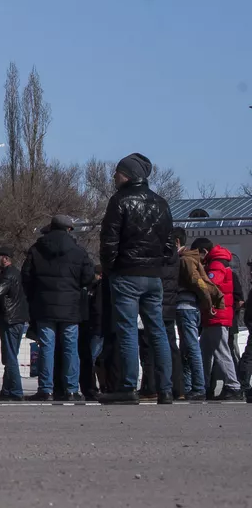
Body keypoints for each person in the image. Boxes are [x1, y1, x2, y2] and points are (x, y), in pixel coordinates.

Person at [98, 152, 174, 405]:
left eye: (118, 172)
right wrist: (158, 264)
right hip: (153, 276)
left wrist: (110, 269)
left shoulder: (120, 200)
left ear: (128, 175)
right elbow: (169, 245)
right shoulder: (161, 203)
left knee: (128, 330)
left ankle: (128, 387)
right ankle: (165, 389)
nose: (114, 176)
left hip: (127, 274)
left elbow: (109, 240)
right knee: (158, 332)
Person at [23, 215, 93, 402]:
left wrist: (36, 295)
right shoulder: (78, 251)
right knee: (70, 347)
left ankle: (46, 389)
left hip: (44, 305)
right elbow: (88, 277)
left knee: (46, 347)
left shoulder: (37, 249)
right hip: (70, 306)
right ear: (69, 229)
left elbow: (27, 277)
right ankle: (71, 390)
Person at [195, 238, 242, 401]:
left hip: (217, 316)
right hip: (214, 316)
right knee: (206, 352)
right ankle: (203, 385)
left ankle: (233, 386)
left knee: (221, 351)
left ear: (204, 251)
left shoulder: (216, 264)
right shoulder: (218, 262)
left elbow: (211, 284)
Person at [0, 246, 29, 401]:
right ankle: (6, 391)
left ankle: (16, 391)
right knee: (10, 355)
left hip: (10, 320)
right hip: (17, 319)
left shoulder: (8, 274)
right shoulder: (16, 273)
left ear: (5, 258)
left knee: (10, 357)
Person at [171, 229, 209, 400]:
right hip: (189, 307)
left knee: (192, 347)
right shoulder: (188, 258)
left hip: (186, 307)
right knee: (186, 348)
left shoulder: (184, 259)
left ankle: (199, 387)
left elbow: (197, 282)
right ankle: (188, 386)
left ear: (177, 242)